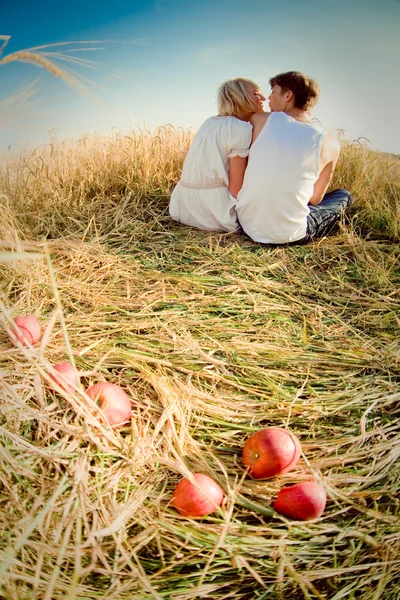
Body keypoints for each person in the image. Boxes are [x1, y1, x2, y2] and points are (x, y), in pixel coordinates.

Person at [236, 71, 352, 244]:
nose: (268, 98)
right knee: (343, 195)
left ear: (288, 95)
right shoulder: (331, 143)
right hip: (289, 235)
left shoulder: (258, 120)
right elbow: (314, 199)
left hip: (246, 223)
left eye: (273, 92)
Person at [169, 78, 266, 232]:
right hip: (214, 214)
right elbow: (236, 188)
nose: (264, 98)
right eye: (256, 94)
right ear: (236, 97)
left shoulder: (210, 122)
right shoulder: (240, 128)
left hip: (182, 207)